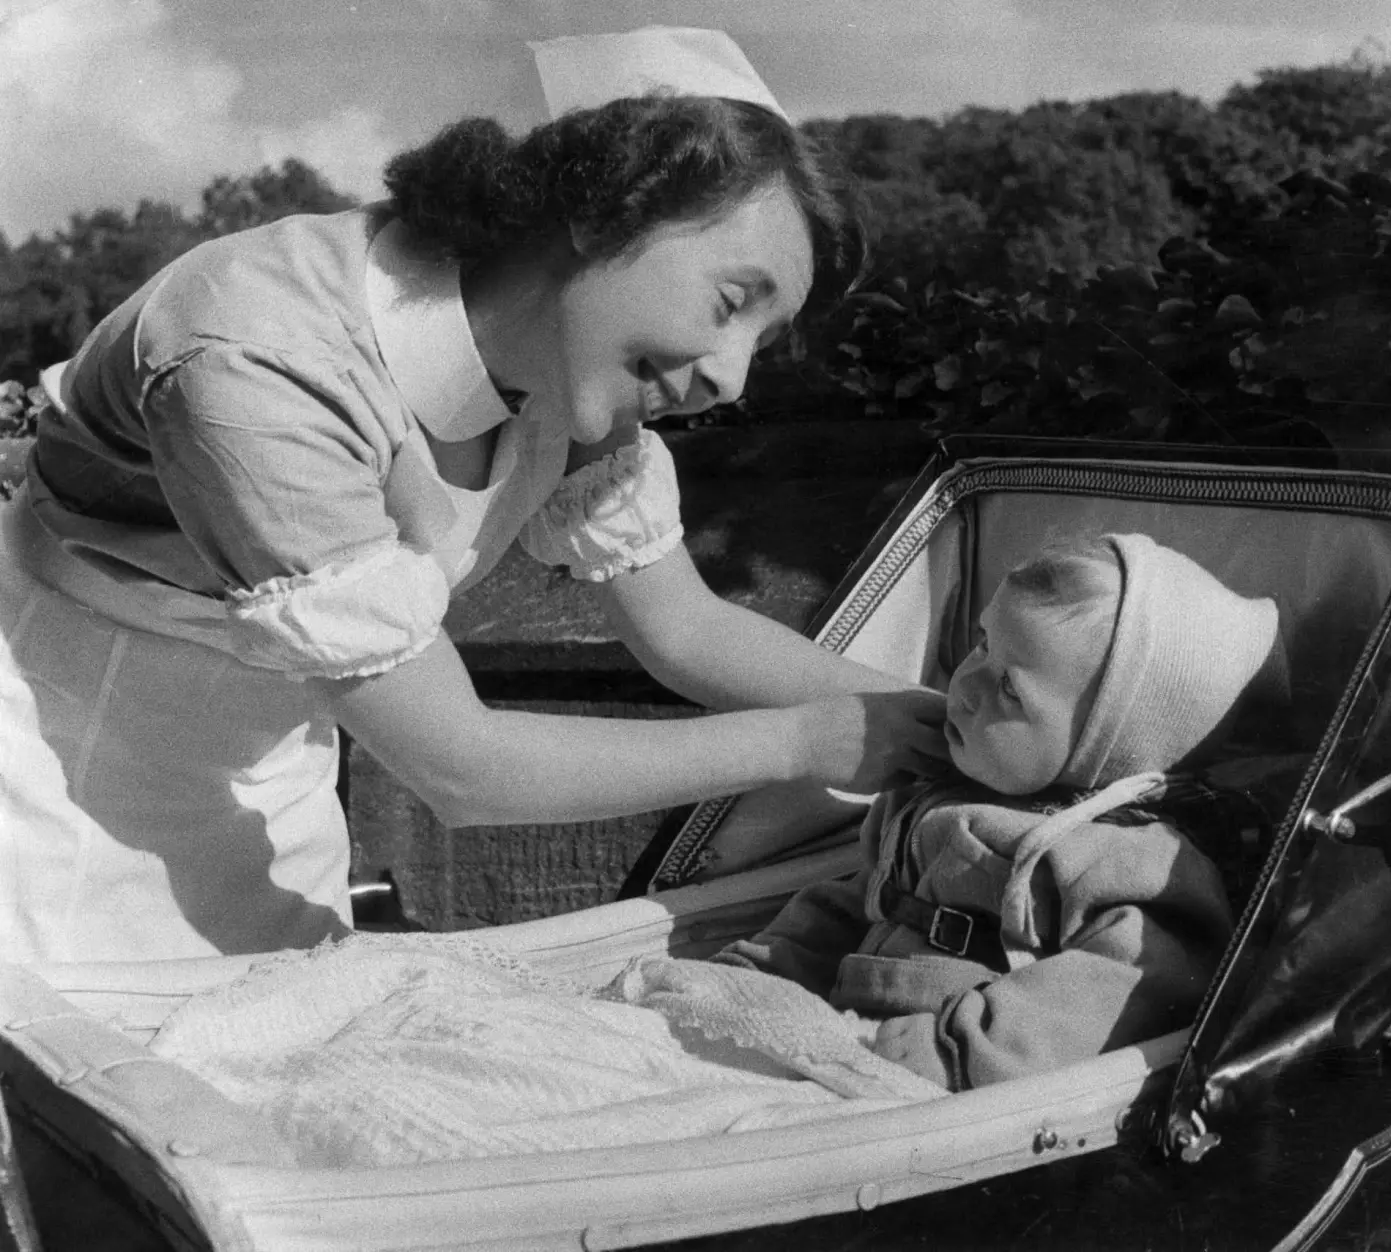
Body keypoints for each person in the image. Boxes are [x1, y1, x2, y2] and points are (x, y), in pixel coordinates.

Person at [0, 27, 948, 965]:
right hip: (61, 783)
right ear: (609, 208)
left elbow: (686, 632)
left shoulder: (571, 371)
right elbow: (459, 767)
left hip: (275, 785)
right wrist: (802, 745)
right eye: (732, 301)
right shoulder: (256, 359)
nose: (733, 380)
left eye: (765, 344)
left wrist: (973, 728)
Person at [716, 533, 1283, 1091]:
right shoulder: (935, 789)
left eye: (1010, 689)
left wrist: (963, 1047)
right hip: (850, 1036)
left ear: (1102, 749)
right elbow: (856, 902)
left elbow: (1130, 982)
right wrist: (770, 966)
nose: (965, 684)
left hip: (949, 1077)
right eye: (985, 642)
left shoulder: (1116, 854)